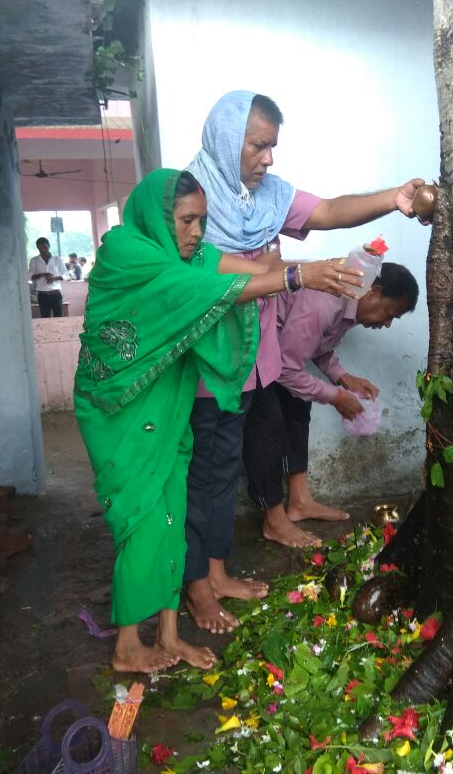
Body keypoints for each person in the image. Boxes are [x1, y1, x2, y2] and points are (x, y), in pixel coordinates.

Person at [73, 168, 360, 673]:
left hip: (166, 407)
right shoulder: (129, 254)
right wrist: (295, 277)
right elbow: (206, 291)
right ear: (160, 218)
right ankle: (126, 647)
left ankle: (167, 635)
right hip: (121, 411)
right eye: (186, 221)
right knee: (142, 522)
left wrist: (308, 269)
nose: (195, 233)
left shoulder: (184, 254)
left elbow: (235, 269)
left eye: (201, 222)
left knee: (172, 514)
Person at [182, 89, 430, 634]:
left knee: (224, 472)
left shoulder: (265, 198)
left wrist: (395, 197)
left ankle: (216, 573)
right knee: (206, 475)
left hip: (254, 357)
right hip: (206, 362)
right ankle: (199, 587)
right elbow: (206, 276)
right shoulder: (193, 203)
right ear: (227, 140)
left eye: (272, 147)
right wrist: (296, 274)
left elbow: (329, 211)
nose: (268, 158)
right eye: (257, 145)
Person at [245, 263, 418, 538]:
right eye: (389, 314)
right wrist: (337, 397)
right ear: (373, 292)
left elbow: (315, 346)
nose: (385, 324)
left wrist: (344, 378)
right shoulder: (324, 303)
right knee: (268, 422)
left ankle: (300, 501)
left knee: (299, 404)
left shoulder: (348, 307)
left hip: (277, 352)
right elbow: (287, 369)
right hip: (251, 350)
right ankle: (273, 520)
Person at [28, 237, 67, 317]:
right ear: (37, 248)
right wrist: (43, 274)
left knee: (58, 318)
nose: (43, 250)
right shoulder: (34, 260)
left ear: (49, 246)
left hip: (56, 294)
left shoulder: (57, 259)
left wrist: (55, 278)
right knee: (45, 318)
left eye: (45, 247)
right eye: (40, 248)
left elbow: (66, 275)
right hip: (43, 295)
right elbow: (30, 277)